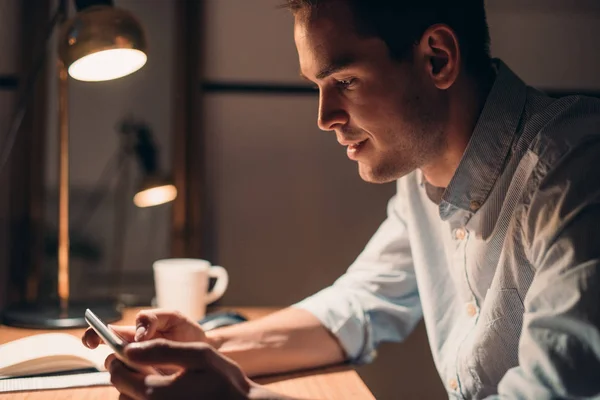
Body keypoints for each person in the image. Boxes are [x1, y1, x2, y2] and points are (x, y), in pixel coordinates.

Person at [83, 0, 600, 398]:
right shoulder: (424, 173)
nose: (324, 116)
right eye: (317, 85)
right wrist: (206, 349)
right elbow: (361, 305)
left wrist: (244, 395)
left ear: (437, 58)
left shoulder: (574, 176)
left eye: (344, 81)